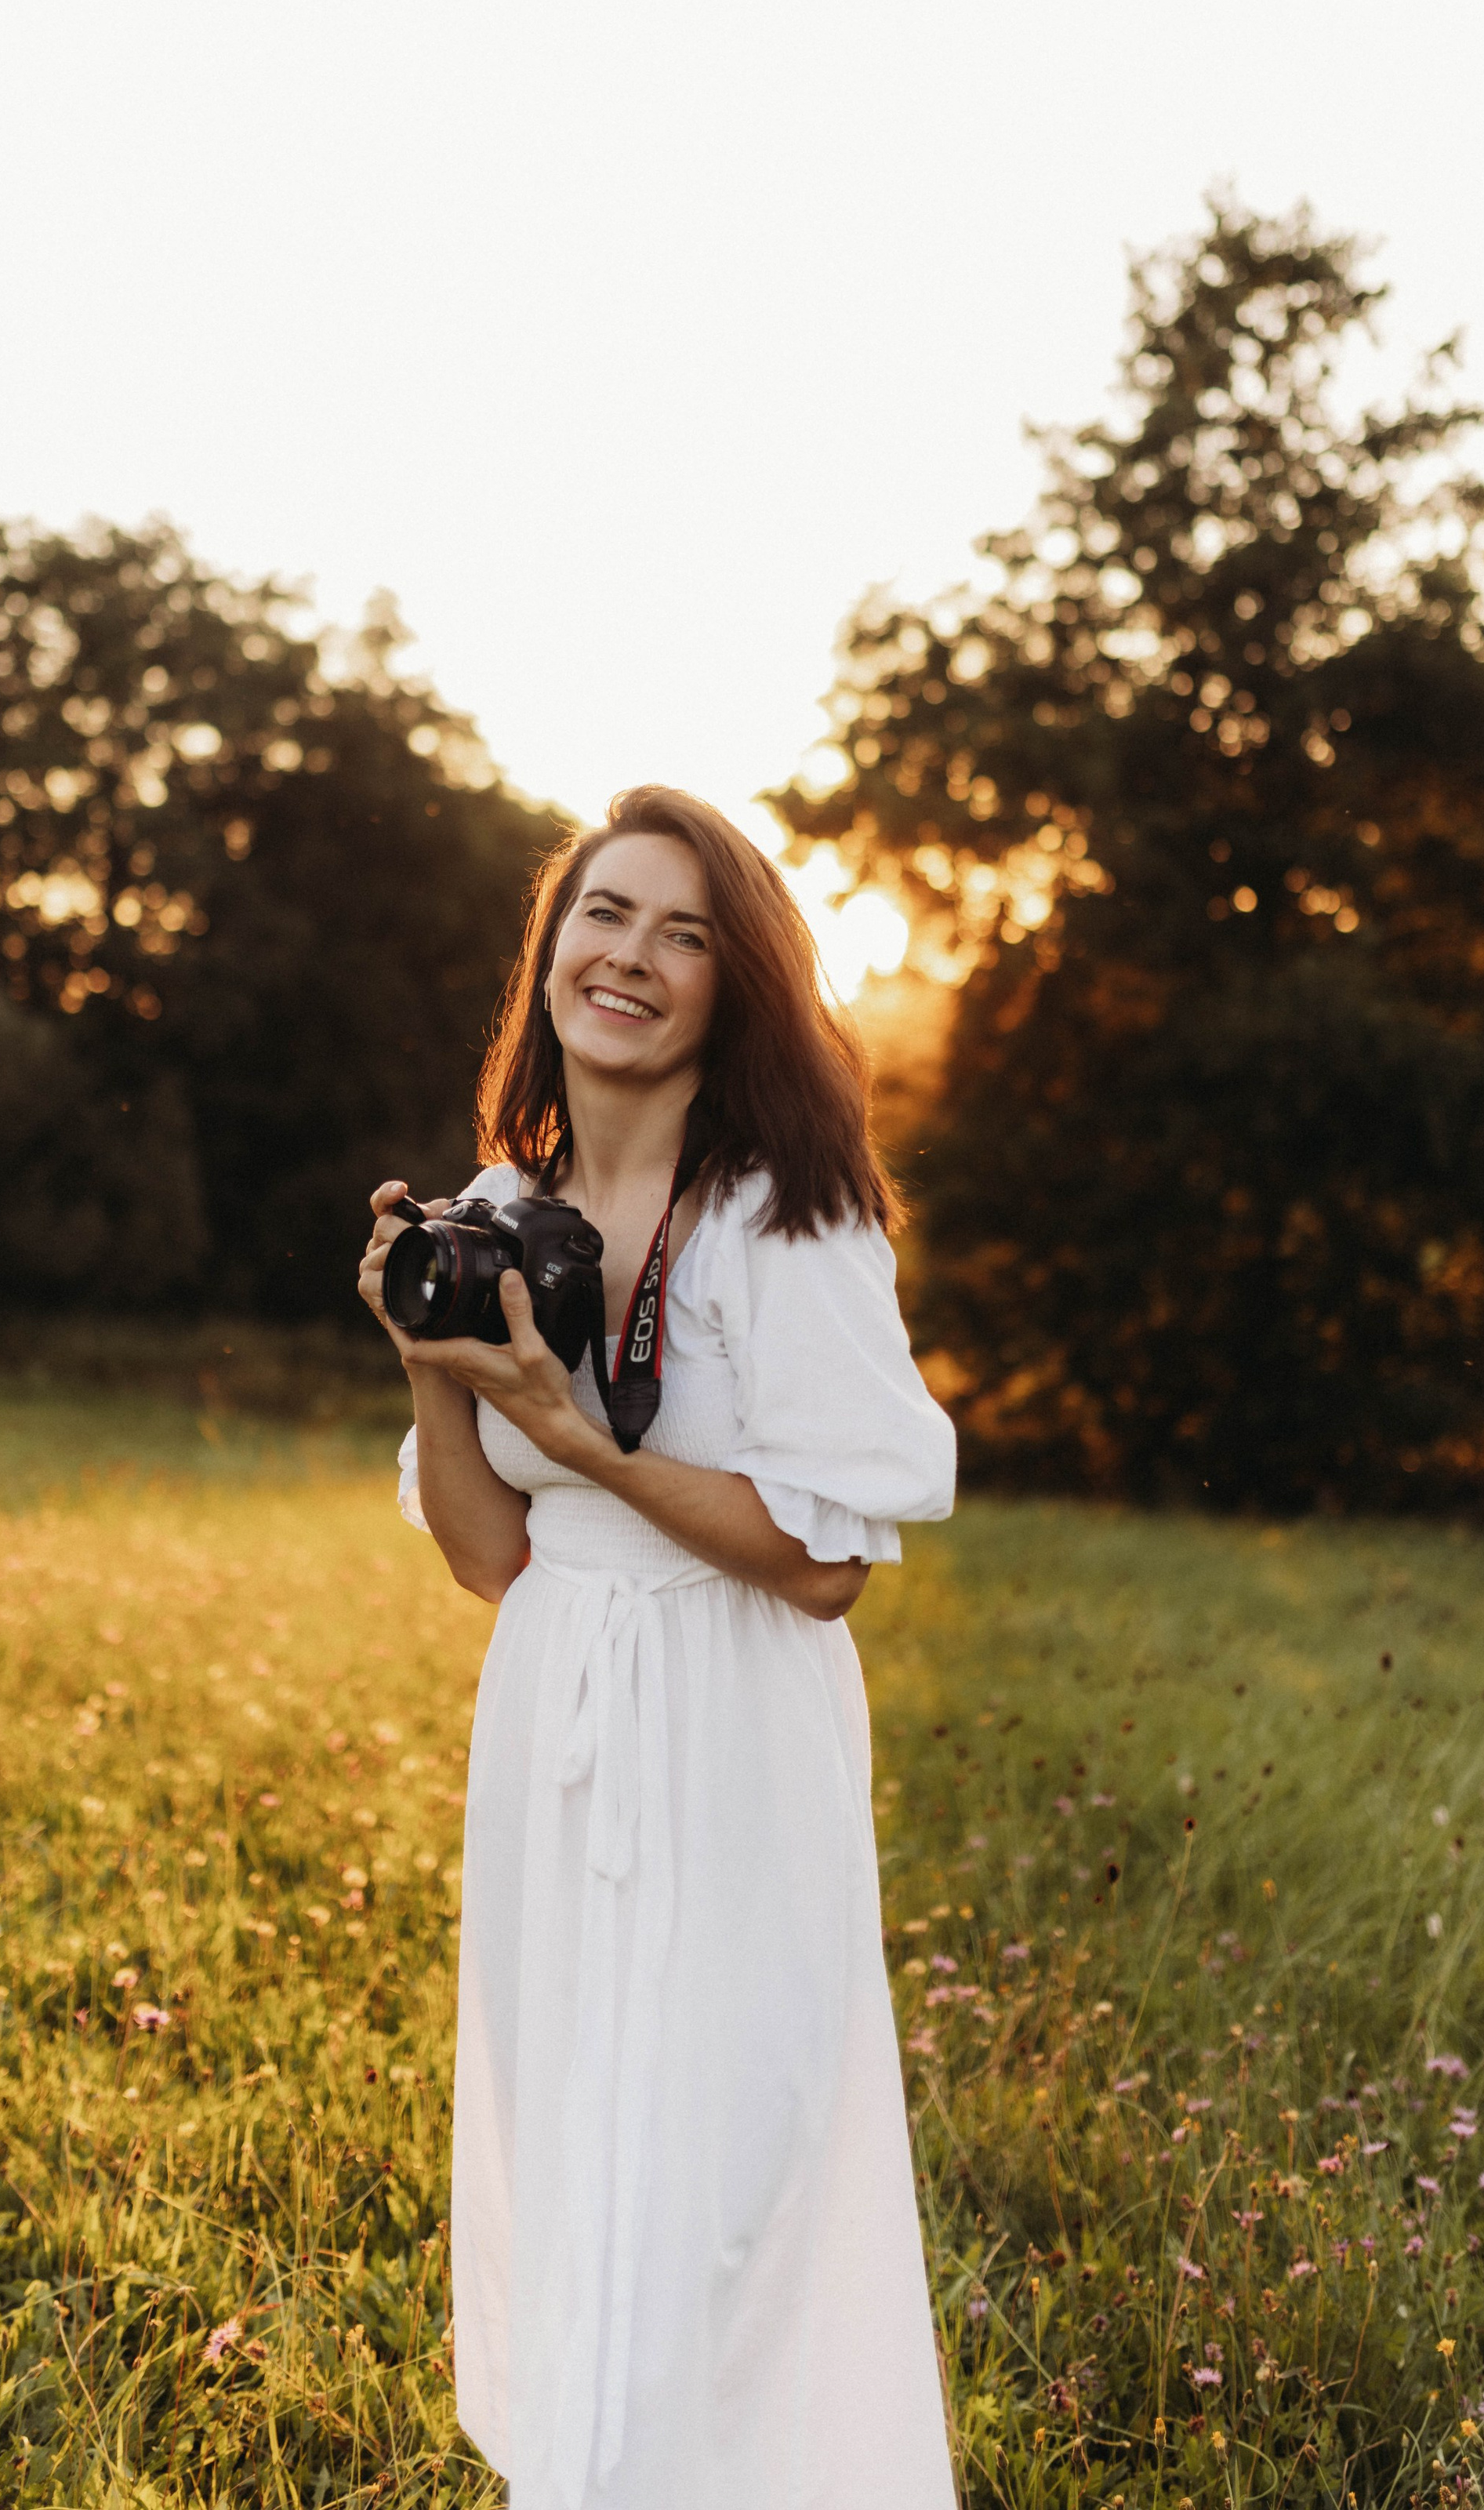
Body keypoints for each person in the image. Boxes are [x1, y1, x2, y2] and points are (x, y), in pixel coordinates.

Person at [358, 785, 957, 2509]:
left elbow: (828, 1561)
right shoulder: (498, 1200)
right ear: (553, 949)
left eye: (684, 932)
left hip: (730, 1712)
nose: (629, 955)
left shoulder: (785, 1213)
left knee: (716, 2176)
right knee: (578, 2152)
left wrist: (589, 1430)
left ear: (734, 985)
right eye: (605, 914)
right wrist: (431, 1346)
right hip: (554, 1701)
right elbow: (488, 1553)